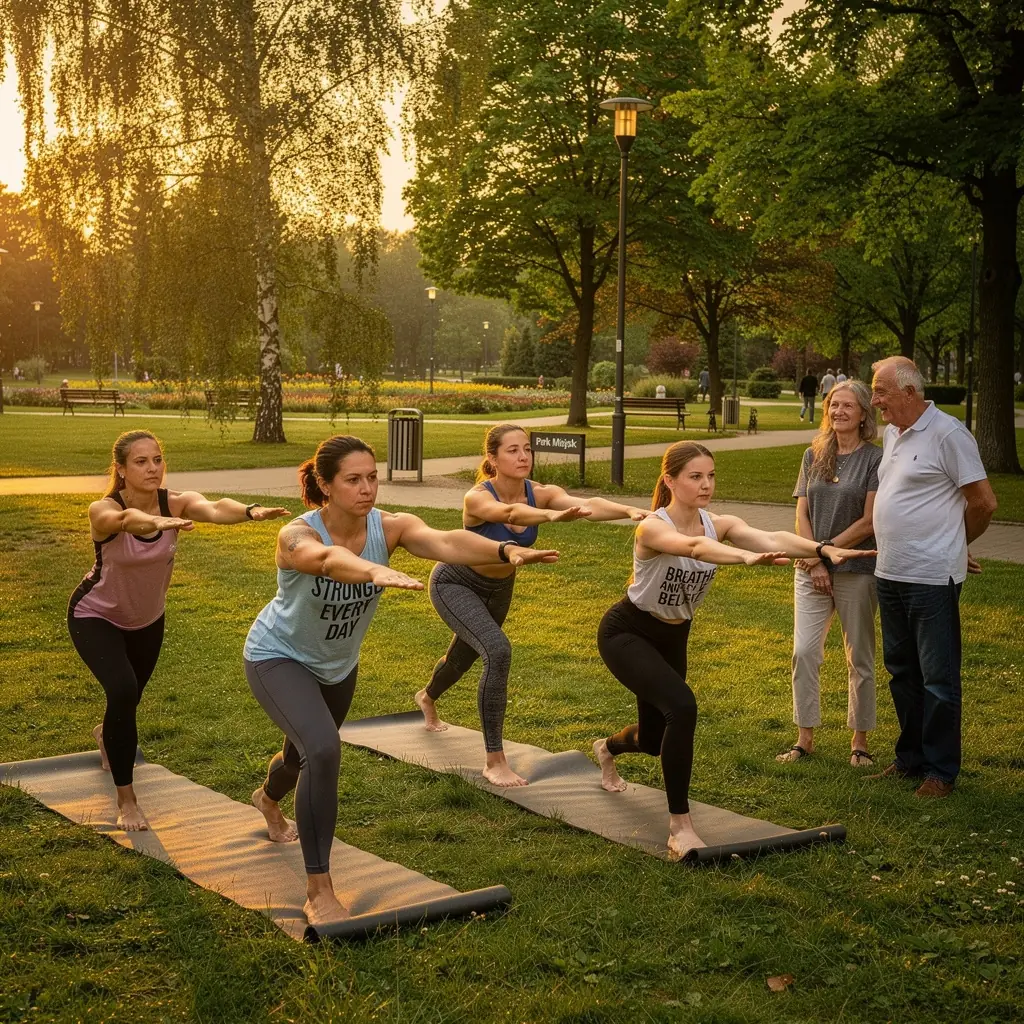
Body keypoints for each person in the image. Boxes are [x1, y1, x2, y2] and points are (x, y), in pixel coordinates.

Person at [244, 434, 560, 926]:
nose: (367, 488)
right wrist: (372, 570)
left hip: (336, 667)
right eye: (353, 480)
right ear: (325, 485)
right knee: (323, 750)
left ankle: (267, 798)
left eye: (372, 477)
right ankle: (319, 889)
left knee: (297, 756)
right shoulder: (295, 535)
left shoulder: (390, 527)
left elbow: (448, 542)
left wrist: (504, 554)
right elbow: (327, 562)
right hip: (278, 657)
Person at [592, 441, 876, 860]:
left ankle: (607, 748)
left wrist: (821, 549)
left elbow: (769, 536)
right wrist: (743, 558)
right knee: (682, 708)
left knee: (654, 738)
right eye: (695, 477)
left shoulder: (718, 523)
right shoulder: (653, 527)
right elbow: (693, 549)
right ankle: (680, 827)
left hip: (674, 637)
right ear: (669, 480)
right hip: (627, 633)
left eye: (711, 476)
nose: (706, 485)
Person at [68, 429, 289, 831]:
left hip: (148, 619)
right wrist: (152, 520)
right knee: (122, 689)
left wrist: (249, 510)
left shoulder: (177, 502)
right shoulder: (102, 509)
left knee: (126, 702)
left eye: (157, 459)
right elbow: (122, 521)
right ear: (120, 469)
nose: (153, 468)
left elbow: (215, 507)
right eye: (141, 462)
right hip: (95, 614)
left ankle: (107, 733)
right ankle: (127, 799)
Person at [415, 423, 651, 787]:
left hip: (499, 589)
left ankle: (427, 697)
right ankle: (495, 760)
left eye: (527, 448)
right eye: (512, 450)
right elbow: (509, 515)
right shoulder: (478, 497)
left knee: (462, 658)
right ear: (492, 458)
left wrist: (629, 510)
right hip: (455, 582)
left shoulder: (540, 492)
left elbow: (586, 504)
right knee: (497, 650)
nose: (523, 456)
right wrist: (551, 516)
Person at [869, 357, 997, 798]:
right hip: (889, 572)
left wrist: (955, 544)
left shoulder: (949, 433)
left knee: (937, 678)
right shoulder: (893, 433)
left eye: (881, 391)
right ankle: (910, 760)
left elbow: (983, 503)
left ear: (909, 391)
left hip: (930, 578)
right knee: (901, 671)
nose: (875, 399)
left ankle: (941, 772)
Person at [776, 381, 882, 768]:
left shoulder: (875, 458)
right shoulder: (813, 454)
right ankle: (805, 738)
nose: (839, 411)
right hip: (811, 568)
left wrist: (830, 553)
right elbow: (801, 513)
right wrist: (817, 558)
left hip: (856, 568)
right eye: (833, 405)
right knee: (804, 652)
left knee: (860, 657)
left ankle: (860, 741)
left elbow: (870, 520)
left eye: (848, 406)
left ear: (863, 413)